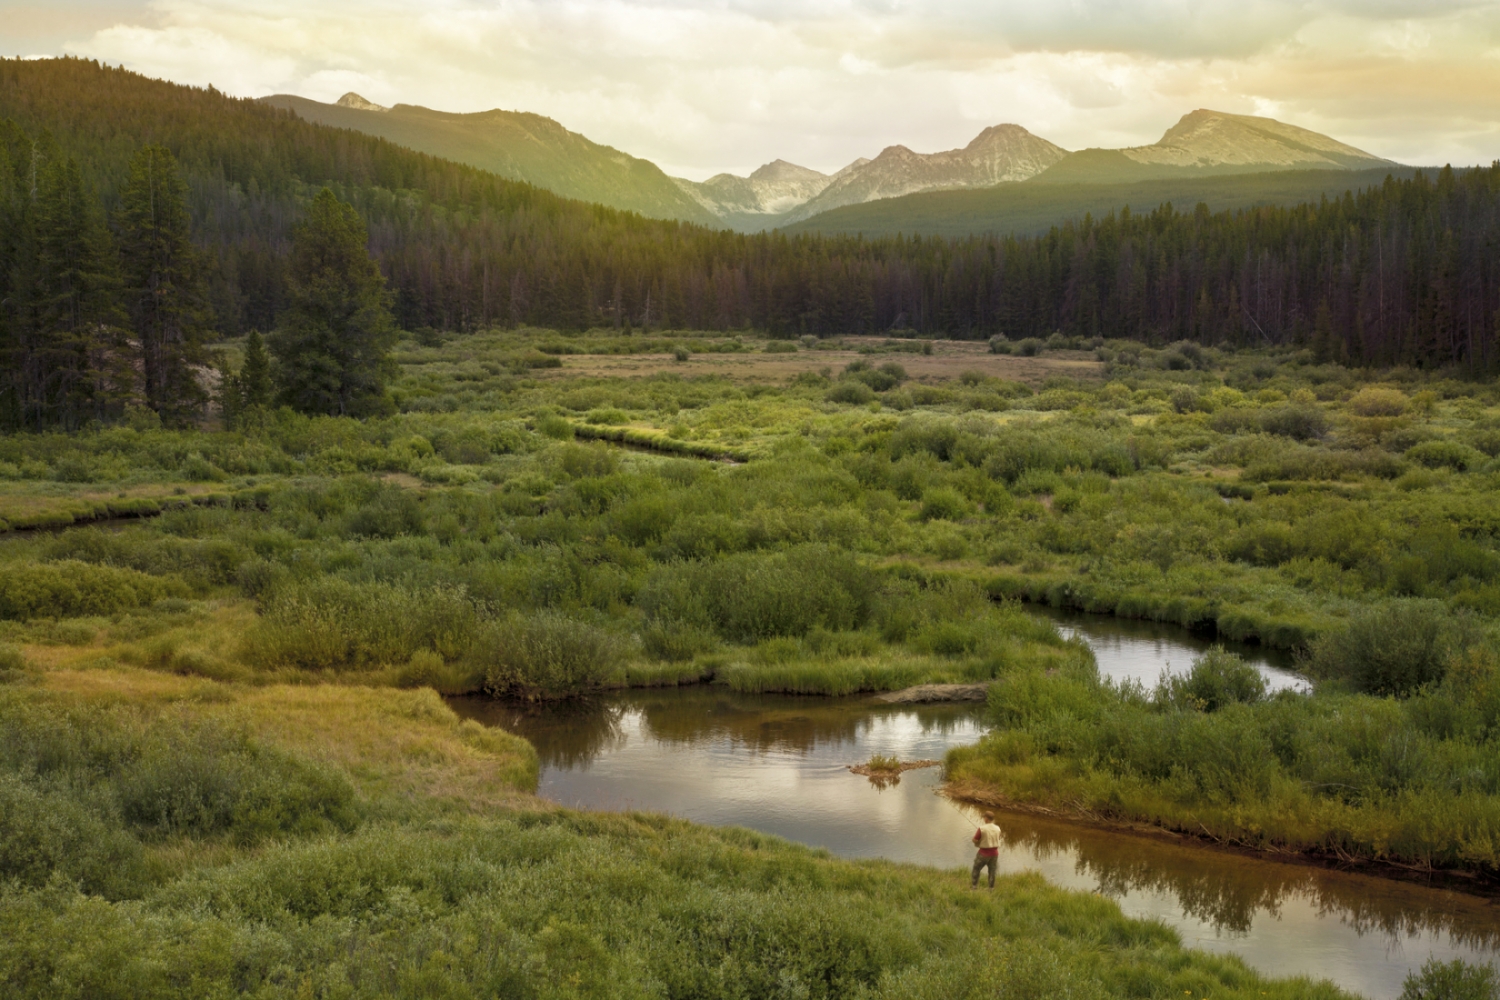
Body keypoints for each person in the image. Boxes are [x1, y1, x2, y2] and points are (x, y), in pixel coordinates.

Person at [971, 812, 1001, 890]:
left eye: (984, 817)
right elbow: (998, 838)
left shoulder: (981, 828)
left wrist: (973, 840)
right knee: (992, 871)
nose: (984, 819)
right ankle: (991, 888)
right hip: (994, 854)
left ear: (986, 819)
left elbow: (975, 840)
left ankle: (974, 887)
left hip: (983, 853)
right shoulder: (998, 828)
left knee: (976, 869)